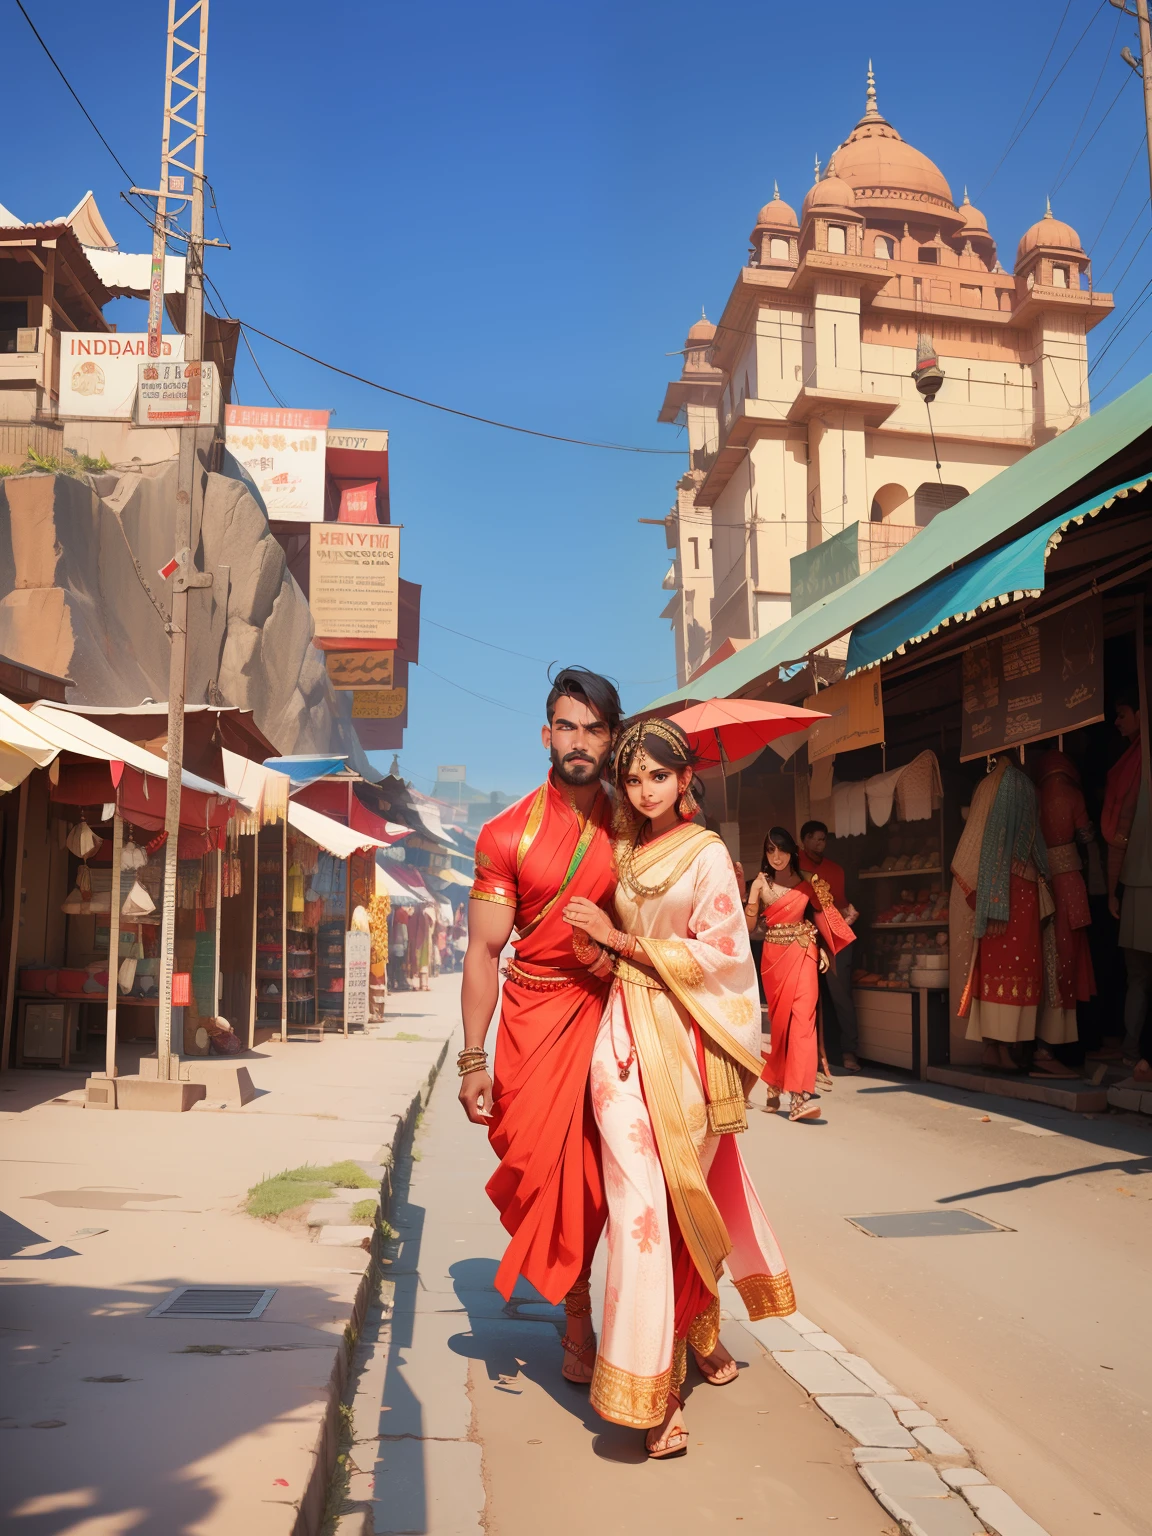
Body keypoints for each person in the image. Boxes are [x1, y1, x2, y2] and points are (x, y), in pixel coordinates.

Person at [563, 719, 795, 1460]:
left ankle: (697, 1325)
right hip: (621, 1047)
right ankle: (650, 1390)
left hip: (687, 1047)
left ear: (684, 777)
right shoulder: (624, 851)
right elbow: (606, 943)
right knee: (639, 1211)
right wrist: (592, 948)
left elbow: (726, 958)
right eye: (632, 780)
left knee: (680, 1196)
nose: (643, 790)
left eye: (657, 776)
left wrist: (622, 939)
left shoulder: (707, 856)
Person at [459, 667, 622, 1386]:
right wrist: (471, 1060)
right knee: (553, 1179)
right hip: (533, 1018)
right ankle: (579, 1311)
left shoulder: (642, 825)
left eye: (592, 728)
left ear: (611, 738)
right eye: (567, 727)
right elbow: (484, 951)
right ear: (545, 734)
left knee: (626, 1176)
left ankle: (654, 1318)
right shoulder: (505, 834)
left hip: (617, 1011)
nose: (579, 741)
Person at [952, 754, 1058, 1069]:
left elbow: (986, 845)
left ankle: (996, 1050)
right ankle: (1002, 1050)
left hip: (994, 892)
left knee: (1000, 969)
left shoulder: (988, 786)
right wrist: (1038, 872)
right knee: (1013, 968)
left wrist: (991, 898)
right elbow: (1011, 839)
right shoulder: (1018, 784)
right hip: (1011, 893)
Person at [746, 827, 856, 1121]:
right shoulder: (760, 883)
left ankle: (799, 1097)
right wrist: (751, 895)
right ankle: (774, 1079)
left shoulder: (809, 883)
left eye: (781, 849)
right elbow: (748, 928)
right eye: (770, 850)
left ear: (793, 851)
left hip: (805, 952)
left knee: (804, 1024)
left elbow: (823, 919)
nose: (776, 856)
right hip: (774, 959)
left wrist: (823, 946)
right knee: (782, 1027)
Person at [1034, 750, 1095, 1074]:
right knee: (1067, 960)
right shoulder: (1071, 793)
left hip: (1043, 884)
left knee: (1050, 959)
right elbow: (1087, 835)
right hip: (1069, 881)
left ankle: (1044, 1045)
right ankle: (1052, 1049)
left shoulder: (1036, 794)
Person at [1103, 688, 1152, 1076]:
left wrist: (1113, 884)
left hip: (1136, 884)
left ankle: (1134, 1052)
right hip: (1137, 886)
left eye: (1122, 714)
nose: (1117, 721)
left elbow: (1120, 832)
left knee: (1138, 976)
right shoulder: (1135, 761)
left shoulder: (1137, 767)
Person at [799, 820, 861, 1072]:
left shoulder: (835, 869)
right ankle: (805, 1055)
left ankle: (849, 1052)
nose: (818, 843)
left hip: (833, 936)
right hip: (802, 936)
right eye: (813, 838)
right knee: (805, 997)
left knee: (841, 995)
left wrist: (850, 915)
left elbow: (842, 903)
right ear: (804, 840)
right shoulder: (793, 866)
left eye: (822, 839)